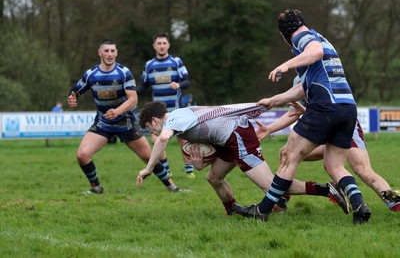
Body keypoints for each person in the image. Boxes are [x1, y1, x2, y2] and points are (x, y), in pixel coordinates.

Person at [233, 9, 371, 224]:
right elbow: (303, 89)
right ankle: (360, 205)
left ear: (284, 34)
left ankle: (262, 210)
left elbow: (314, 52)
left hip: (325, 107)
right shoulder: (323, 41)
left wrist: (286, 64)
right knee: (334, 165)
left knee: (289, 157)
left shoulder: (302, 37)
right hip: (347, 109)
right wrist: (273, 100)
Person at [135, 101, 349, 216]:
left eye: (149, 128)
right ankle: (232, 211)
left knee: (275, 187)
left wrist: (149, 167)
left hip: (237, 136)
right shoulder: (181, 118)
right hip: (227, 140)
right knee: (214, 177)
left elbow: (162, 137)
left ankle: (325, 189)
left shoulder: (173, 119)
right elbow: (211, 138)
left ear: (154, 120)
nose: (152, 132)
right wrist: (201, 162)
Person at [255, 77, 400, 212]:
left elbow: (333, 110)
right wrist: (269, 129)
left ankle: (394, 204)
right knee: (286, 153)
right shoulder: (299, 78)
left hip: (343, 127)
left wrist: (279, 102)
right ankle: (283, 197)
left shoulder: (324, 71)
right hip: (324, 125)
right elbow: (293, 113)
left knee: (362, 170)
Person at [67, 39, 188, 194]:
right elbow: (76, 90)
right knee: (82, 155)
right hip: (103, 123)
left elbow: (133, 99)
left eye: (112, 51)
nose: (110, 54)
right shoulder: (91, 74)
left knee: (149, 157)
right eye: (106, 51)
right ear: (100, 53)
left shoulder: (124, 72)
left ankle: (173, 187)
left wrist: (117, 111)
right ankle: (96, 188)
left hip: (125, 123)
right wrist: (72, 98)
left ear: (116, 53)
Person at [136, 33, 195, 178]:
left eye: (164, 43)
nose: (161, 46)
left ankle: (189, 170)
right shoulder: (149, 65)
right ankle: (167, 171)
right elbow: (144, 86)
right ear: (154, 46)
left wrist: (179, 84)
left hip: (176, 109)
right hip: (157, 112)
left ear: (168, 45)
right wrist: (131, 93)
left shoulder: (176, 62)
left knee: (183, 139)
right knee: (157, 140)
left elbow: (187, 81)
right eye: (159, 43)